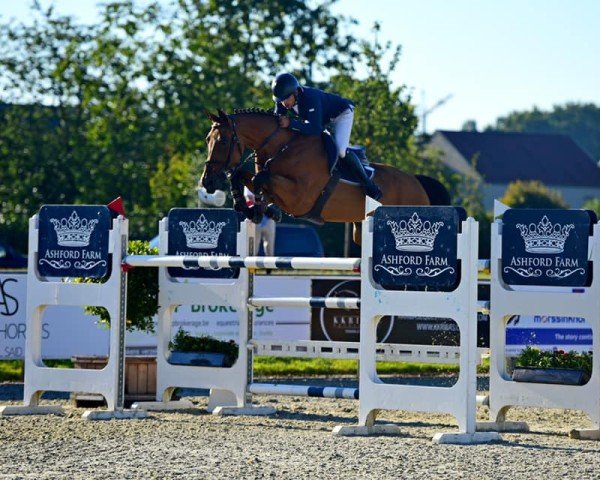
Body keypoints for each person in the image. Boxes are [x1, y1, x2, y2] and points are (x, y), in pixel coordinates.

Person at [271, 72, 382, 200]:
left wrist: (290, 123)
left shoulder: (310, 98)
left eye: (286, 99)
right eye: (281, 100)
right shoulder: (283, 100)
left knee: (340, 150)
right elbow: (277, 121)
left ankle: (370, 186)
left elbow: (315, 129)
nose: (283, 104)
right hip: (323, 121)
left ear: (295, 93)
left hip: (341, 114)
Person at [244, 186, 276, 256]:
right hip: (255, 217)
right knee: (253, 247)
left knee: (270, 246)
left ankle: (270, 266)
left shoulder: (268, 179)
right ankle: (251, 266)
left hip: (268, 218)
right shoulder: (248, 181)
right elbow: (248, 198)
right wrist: (260, 207)